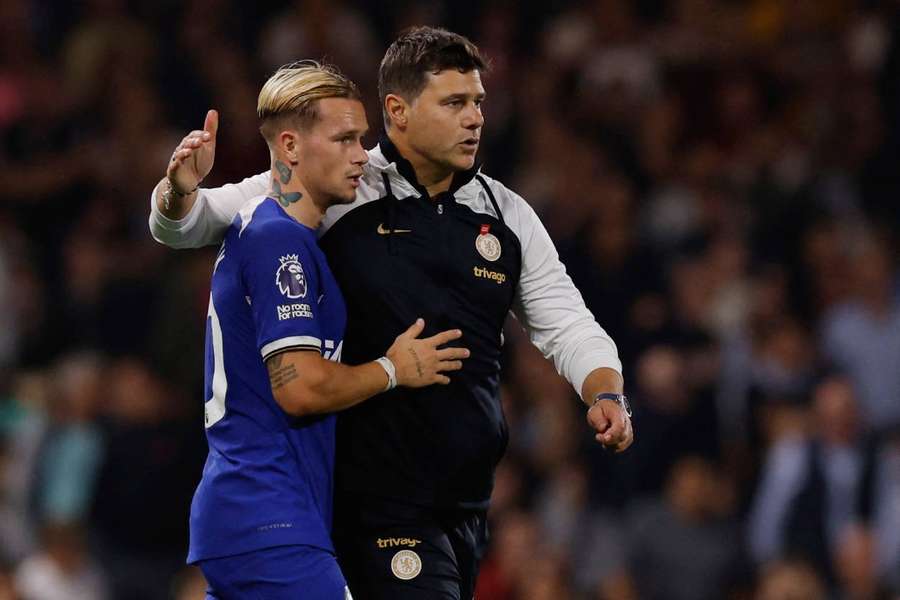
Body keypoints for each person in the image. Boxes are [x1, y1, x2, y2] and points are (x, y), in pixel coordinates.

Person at [149, 27, 633, 599]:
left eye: (478, 102)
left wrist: (605, 392)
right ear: (398, 111)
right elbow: (191, 221)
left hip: (468, 504)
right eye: (454, 103)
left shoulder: (506, 213)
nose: (475, 118)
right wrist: (176, 191)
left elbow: (566, 320)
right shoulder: (339, 185)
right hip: (368, 504)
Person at [179, 61, 468, 599]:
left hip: (256, 516)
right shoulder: (279, 243)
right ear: (290, 147)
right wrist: (392, 369)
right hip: (268, 515)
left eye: (363, 139)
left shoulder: (274, 232)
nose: (362, 155)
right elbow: (299, 387)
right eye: (345, 139)